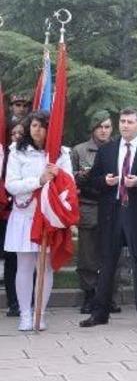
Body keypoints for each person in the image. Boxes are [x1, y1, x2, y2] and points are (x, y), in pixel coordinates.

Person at [79, 108, 137, 330]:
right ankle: (100, 313)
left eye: (130, 122)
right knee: (107, 264)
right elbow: (91, 182)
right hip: (112, 212)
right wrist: (104, 181)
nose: (125, 125)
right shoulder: (107, 150)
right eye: (122, 121)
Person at [4, 110, 73, 331]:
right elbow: (11, 185)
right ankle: (25, 314)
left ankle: (40, 313)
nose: (37, 130)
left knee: (45, 267)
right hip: (24, 215)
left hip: (47, 217)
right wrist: (39, 180)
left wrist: (57, 175)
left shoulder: (61, 153)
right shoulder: (17, 151)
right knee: (24, 266)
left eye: (43, 126)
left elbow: (69, 184)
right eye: (34, 125)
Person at [71, 110, 115, 314]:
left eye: (107, 127)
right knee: (88, 255)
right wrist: (81, 178)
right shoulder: (80, 151)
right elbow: (70, 181)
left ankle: (108, 296)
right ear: (93, 128)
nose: (104, 131)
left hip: (113, 207)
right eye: (100, 127)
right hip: (89, 206)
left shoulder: (118, 148)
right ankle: (89, 295)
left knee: (111, 253)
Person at [0, 121, 24, 317]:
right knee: (10, 259)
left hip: (21, 213)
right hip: (4, 213)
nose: (16, 136)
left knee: (21, 259)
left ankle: (23, 301)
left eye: (20, 133)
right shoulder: (4, 156)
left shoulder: (26, 156)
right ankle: (13, 301)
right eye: (13, 132)